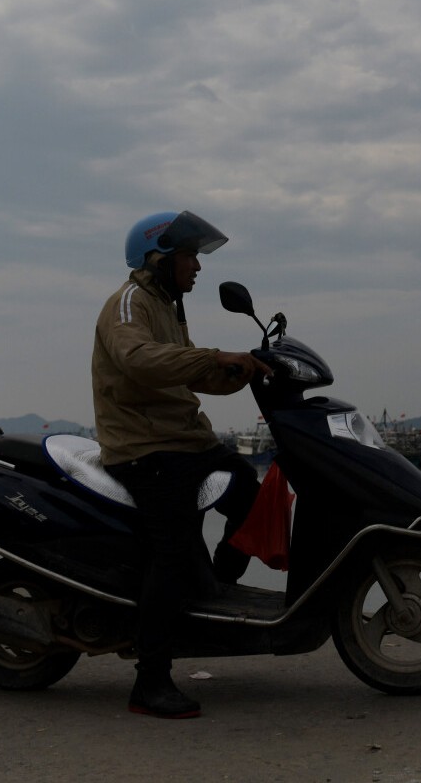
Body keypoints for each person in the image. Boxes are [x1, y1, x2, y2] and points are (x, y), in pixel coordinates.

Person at [93, 209, 271, 719]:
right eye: (190, 255)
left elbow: (189, 375)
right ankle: (149, 681)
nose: (197, 266)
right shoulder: (129, 304)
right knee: (167, 552)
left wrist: (250, 370)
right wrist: (214, 358)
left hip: (183, 441)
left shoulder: (170, 308)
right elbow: (140, 361)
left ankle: (210, 592)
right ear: (159, 258)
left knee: (247, 491)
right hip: (144, 448)